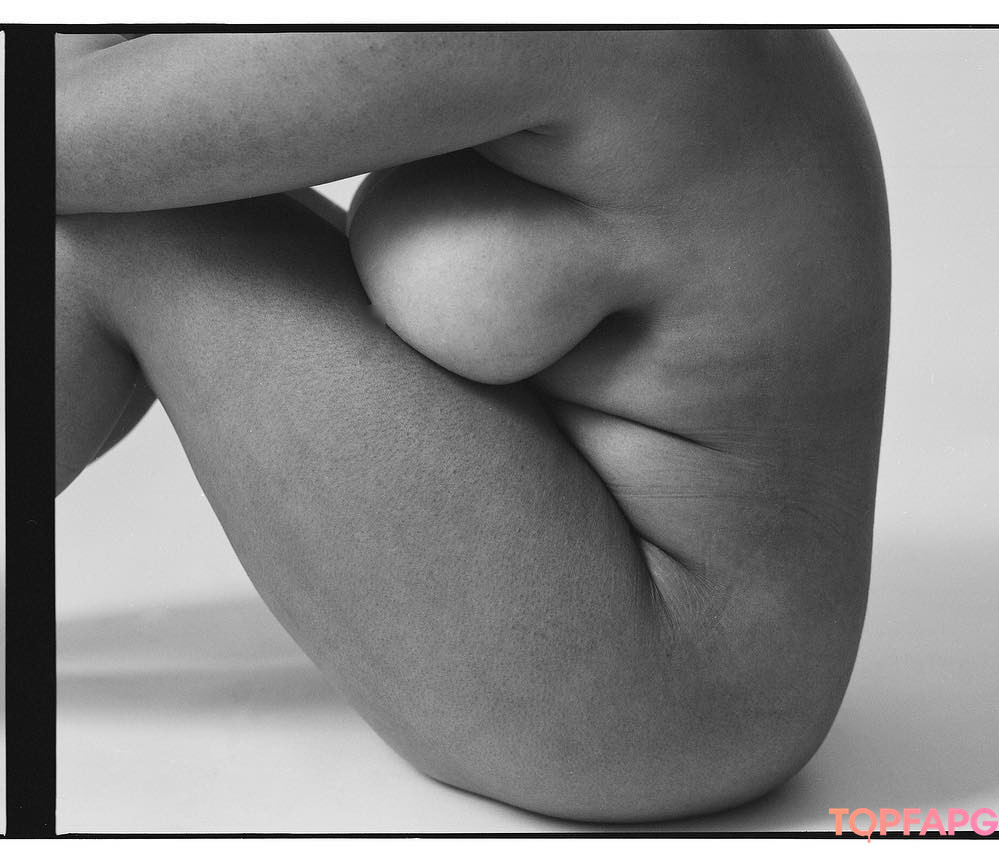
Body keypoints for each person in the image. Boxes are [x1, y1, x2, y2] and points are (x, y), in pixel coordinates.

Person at [55, 30, 890, 823]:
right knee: (122, 177)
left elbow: (50, 139)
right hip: (667, 643)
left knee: (125, 222)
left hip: (670, 694)